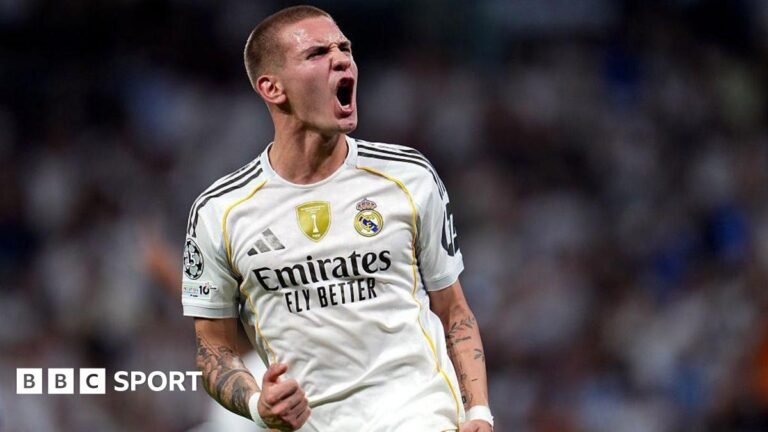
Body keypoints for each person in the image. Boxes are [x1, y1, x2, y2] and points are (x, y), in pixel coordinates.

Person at [181, 5, 493, 431]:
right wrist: (256, 404)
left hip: (421, 416)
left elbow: (453, 310)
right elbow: (213, 347)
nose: (342, 60)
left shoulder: (408, 177)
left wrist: (479, 413)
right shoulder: (220, 211)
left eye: (344, 49)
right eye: (317, 53)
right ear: (272, 87)